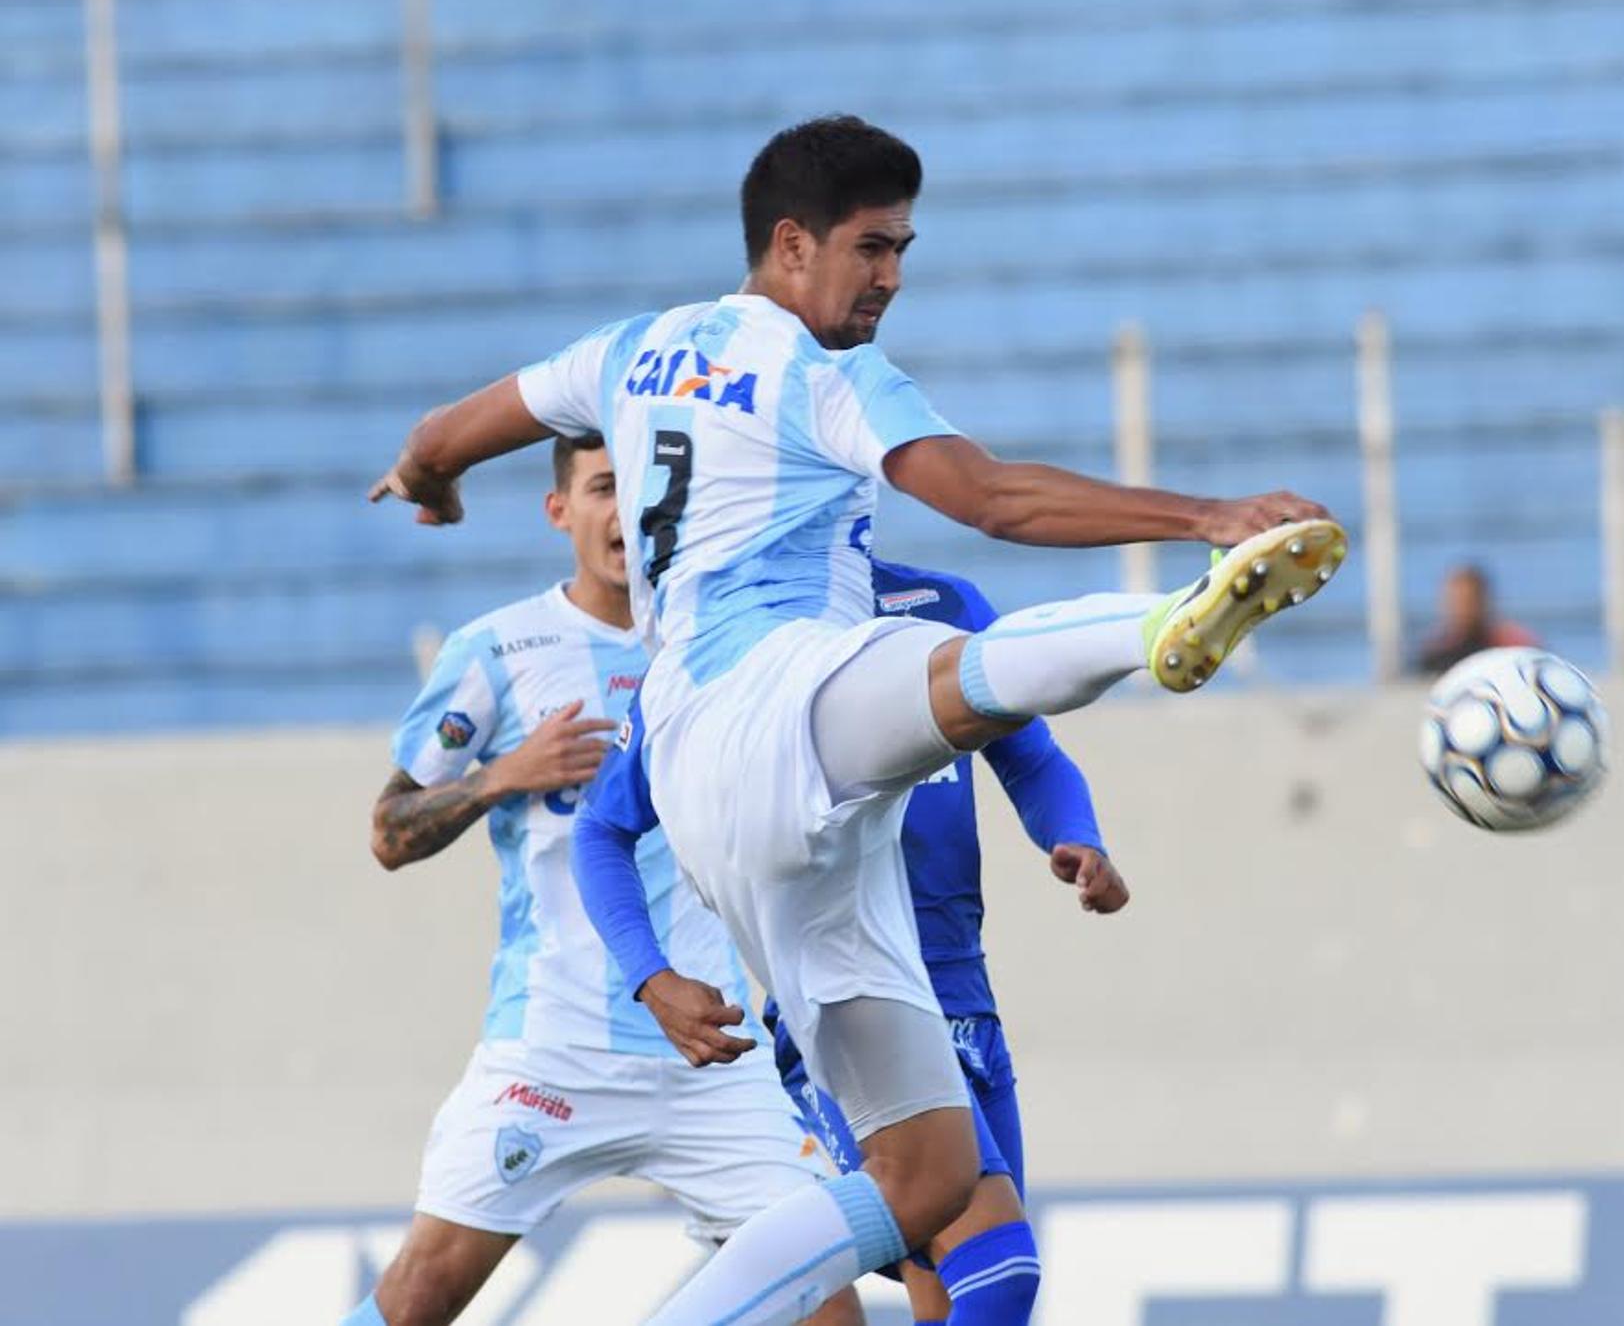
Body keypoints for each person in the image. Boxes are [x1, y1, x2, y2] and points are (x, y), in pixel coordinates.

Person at [369, 114, 1345, 1325]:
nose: (891, 278)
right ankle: (1156, 628)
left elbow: (436, 436)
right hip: (772, 701)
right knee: (957, 671)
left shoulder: (627, 353)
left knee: (927, 1174)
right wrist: (1204, 509)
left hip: (723, 805)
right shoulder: (817, 374)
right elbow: (988, 499)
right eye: (874, 249)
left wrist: (430, 482)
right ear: (792, 245)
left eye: (904, 251)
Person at [346, 435, 859, 1326]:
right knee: (416, 1301)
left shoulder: (722, 645)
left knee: (825, 1307)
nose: (623, 512)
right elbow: (389, 831)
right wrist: (501, 775)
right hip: (554, 1048)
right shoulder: (501, 649)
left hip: (713, 1052)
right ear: (560, 510)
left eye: (640, 491)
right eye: (601, 489)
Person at [576, 555, 1123, 1325]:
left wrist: (1077, 835)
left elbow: (1031, 755)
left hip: (965, 992)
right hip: (848, 997)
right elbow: (601, 825)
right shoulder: (721, 653)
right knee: (1002, 1267)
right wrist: (650, 974)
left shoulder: (941, 601)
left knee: (954, 1295)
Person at [1414, 563, 1540, 675]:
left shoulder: (1514, 649)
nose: (1462, 608)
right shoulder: (1435, 654)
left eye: (1468, 600)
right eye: (1456, 600)